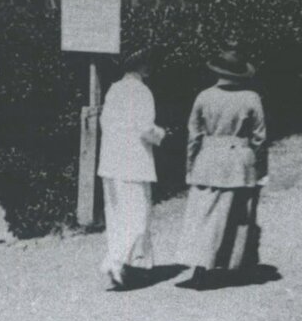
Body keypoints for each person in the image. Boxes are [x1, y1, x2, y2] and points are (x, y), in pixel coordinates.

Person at [176, 48, 268, 288]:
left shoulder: (204, 97)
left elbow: (194, 136)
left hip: (208, 160)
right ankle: (235, 266)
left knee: (204, 214)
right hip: (240, 161)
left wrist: (190, 165)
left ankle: (200, 266)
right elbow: (260, 137)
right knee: (240, 215)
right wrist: (259, 167)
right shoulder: (251, 97)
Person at [97, 49, 167, 290]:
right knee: (137, 217)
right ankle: (116, 263)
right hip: (133, 163)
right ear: (141, 68)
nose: (150, 69)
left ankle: (130, 267)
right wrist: (161, 135)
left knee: (117, 218)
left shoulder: (114, 89)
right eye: (147, 65)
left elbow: (105, 123)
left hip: (111, 162)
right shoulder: (142, 91)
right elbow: (145, 127)